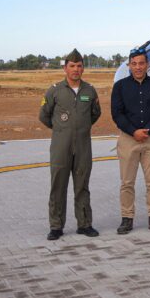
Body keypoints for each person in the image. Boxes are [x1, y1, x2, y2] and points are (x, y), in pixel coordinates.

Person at [39, 48, 101, 241]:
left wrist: (80, 128)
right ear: (65, 68)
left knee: (82, 186)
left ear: (83, 68)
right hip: (61, 147)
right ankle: (56, 226)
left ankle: (85, 224)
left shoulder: (89, 90)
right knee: (58, 186)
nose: (76, 69)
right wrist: (61, 129)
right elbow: (44, 115)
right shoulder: (55, 90)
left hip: (83, 146)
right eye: (72, 66)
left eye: (79, 66)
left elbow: (95, 114)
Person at [111, 48, 150, 234]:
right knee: (127, 182)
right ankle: (127, 218)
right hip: (128, 139)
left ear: (147, 65)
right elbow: (117, 113)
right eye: (134, 64)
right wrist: (133, 131)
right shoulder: (120, 87)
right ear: (129, 65)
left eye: (141, 63)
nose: (138, 67)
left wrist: (147, 130)